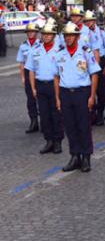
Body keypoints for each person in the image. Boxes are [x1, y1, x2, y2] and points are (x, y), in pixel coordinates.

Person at [54, 22, 100, 173]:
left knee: (83, 126)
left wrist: (92, 96)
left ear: (78, 36)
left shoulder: (85, 52)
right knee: (70, 126)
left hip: (82, 92)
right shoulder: (60, 53)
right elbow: (56, 77)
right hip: (65, 93)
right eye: (66, 36)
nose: (68, 38)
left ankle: (86, 157)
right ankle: (74, 156)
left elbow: (94, 75)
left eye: (71, 35)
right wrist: (58, 98)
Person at [26, 19, 63, 154]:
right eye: (44, 34)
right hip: (41, 85)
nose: (46, 36)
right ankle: (49, 141)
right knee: (45, 115)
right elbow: (31, 70)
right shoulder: (35, 50)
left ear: (53, 36)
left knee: (56, 114)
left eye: (49, 34)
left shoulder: (59, 51)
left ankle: (58, 141)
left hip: (54, 85)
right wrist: (33, 88)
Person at [17, 22, 40, 133]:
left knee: (42, 97)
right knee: (30, 99)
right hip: (28, 72)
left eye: (33, 32)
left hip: (39, 72)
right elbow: (21, 63)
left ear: (36, 33)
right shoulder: (23, 46)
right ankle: (33, 121)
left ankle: (45, 121)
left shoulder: (41, 44)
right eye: (29, 32)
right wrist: (23, 77)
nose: (30, 34)